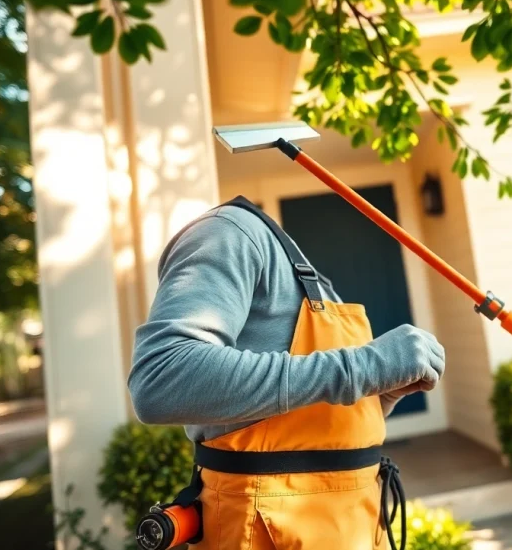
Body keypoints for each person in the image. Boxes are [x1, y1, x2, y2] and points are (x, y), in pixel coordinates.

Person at [127, 196, 445, 550]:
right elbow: (161, 379)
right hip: (269, 529)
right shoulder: (229, 233)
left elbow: (315, 425)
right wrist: (364, 366)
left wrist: (380, 395)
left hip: (357, 525)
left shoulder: (313, 279)